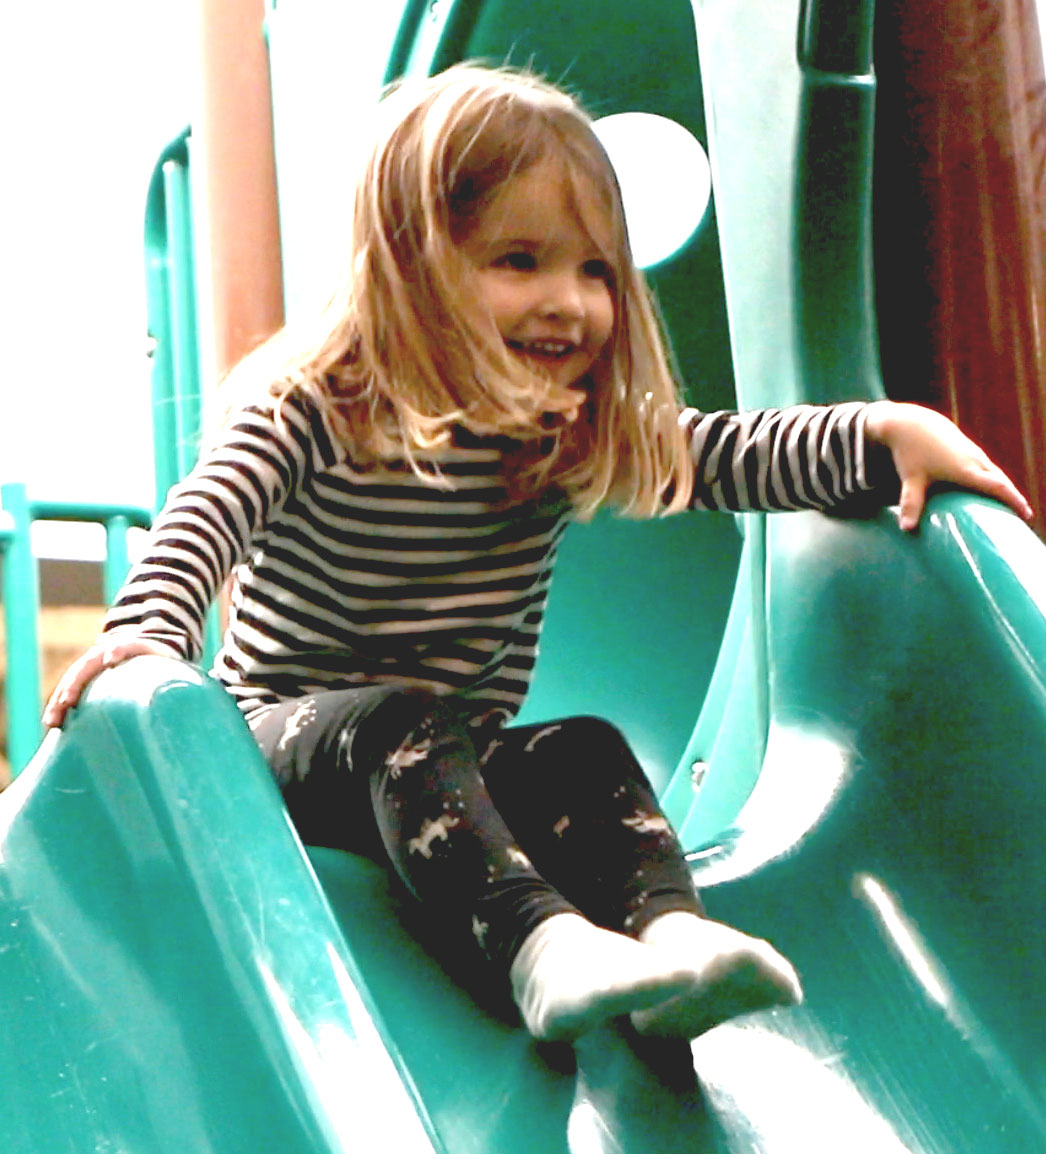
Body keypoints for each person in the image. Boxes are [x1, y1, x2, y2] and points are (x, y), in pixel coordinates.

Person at [44, 64, 1032, 1046]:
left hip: (441, 769)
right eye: (517, 261)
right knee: (403, 722)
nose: (567, 300)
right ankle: (540, 950)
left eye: (594, 269)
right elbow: (205, 515)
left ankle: (670, 944)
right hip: (277, 758)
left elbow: (724, 452)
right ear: (409, 262)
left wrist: (882, 434)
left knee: (580, 747)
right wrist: (147, 632)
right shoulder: (314, 406)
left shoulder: (556, 431)